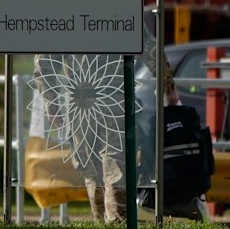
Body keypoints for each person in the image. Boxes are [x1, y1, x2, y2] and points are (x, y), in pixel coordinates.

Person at [30, 21, 179, 223]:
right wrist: (168, 87)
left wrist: (52, 103)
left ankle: (108, 221)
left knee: (93, 167)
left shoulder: (67, 10)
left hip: (82, 102)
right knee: (112, 165)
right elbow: (152, 51)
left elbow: (44, 62)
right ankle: (115, 220)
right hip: (114, 98)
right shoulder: (121, 7)